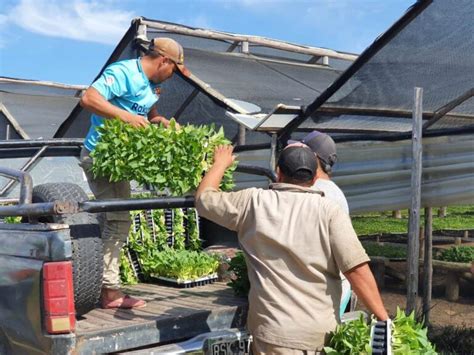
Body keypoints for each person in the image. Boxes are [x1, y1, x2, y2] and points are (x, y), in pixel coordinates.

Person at [195, 145, 388, 354]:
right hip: (320, 337)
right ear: (315, 177)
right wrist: (383, 319)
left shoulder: (254, 202)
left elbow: (204, 199)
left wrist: (220, 164)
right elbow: (356, 269)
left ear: (278, 172)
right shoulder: (330, 211)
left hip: (274, 334)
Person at [79, 37, 190, 309]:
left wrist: (158, 120)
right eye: (174, 69)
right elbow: (88, 98)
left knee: (111, 221)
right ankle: (110, 293)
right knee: (118, 221)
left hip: (120, 161)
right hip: (102, 156)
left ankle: (97, 286)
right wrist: (125, 117)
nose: (172, 76)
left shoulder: (153, 85)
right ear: (164, 61)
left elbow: (146, 114)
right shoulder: (123, 72)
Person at [289, 130, 351, 316]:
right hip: (331, 288)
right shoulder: (332, 190)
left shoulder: (317, 193)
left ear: (314, 158)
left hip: (323, 295)